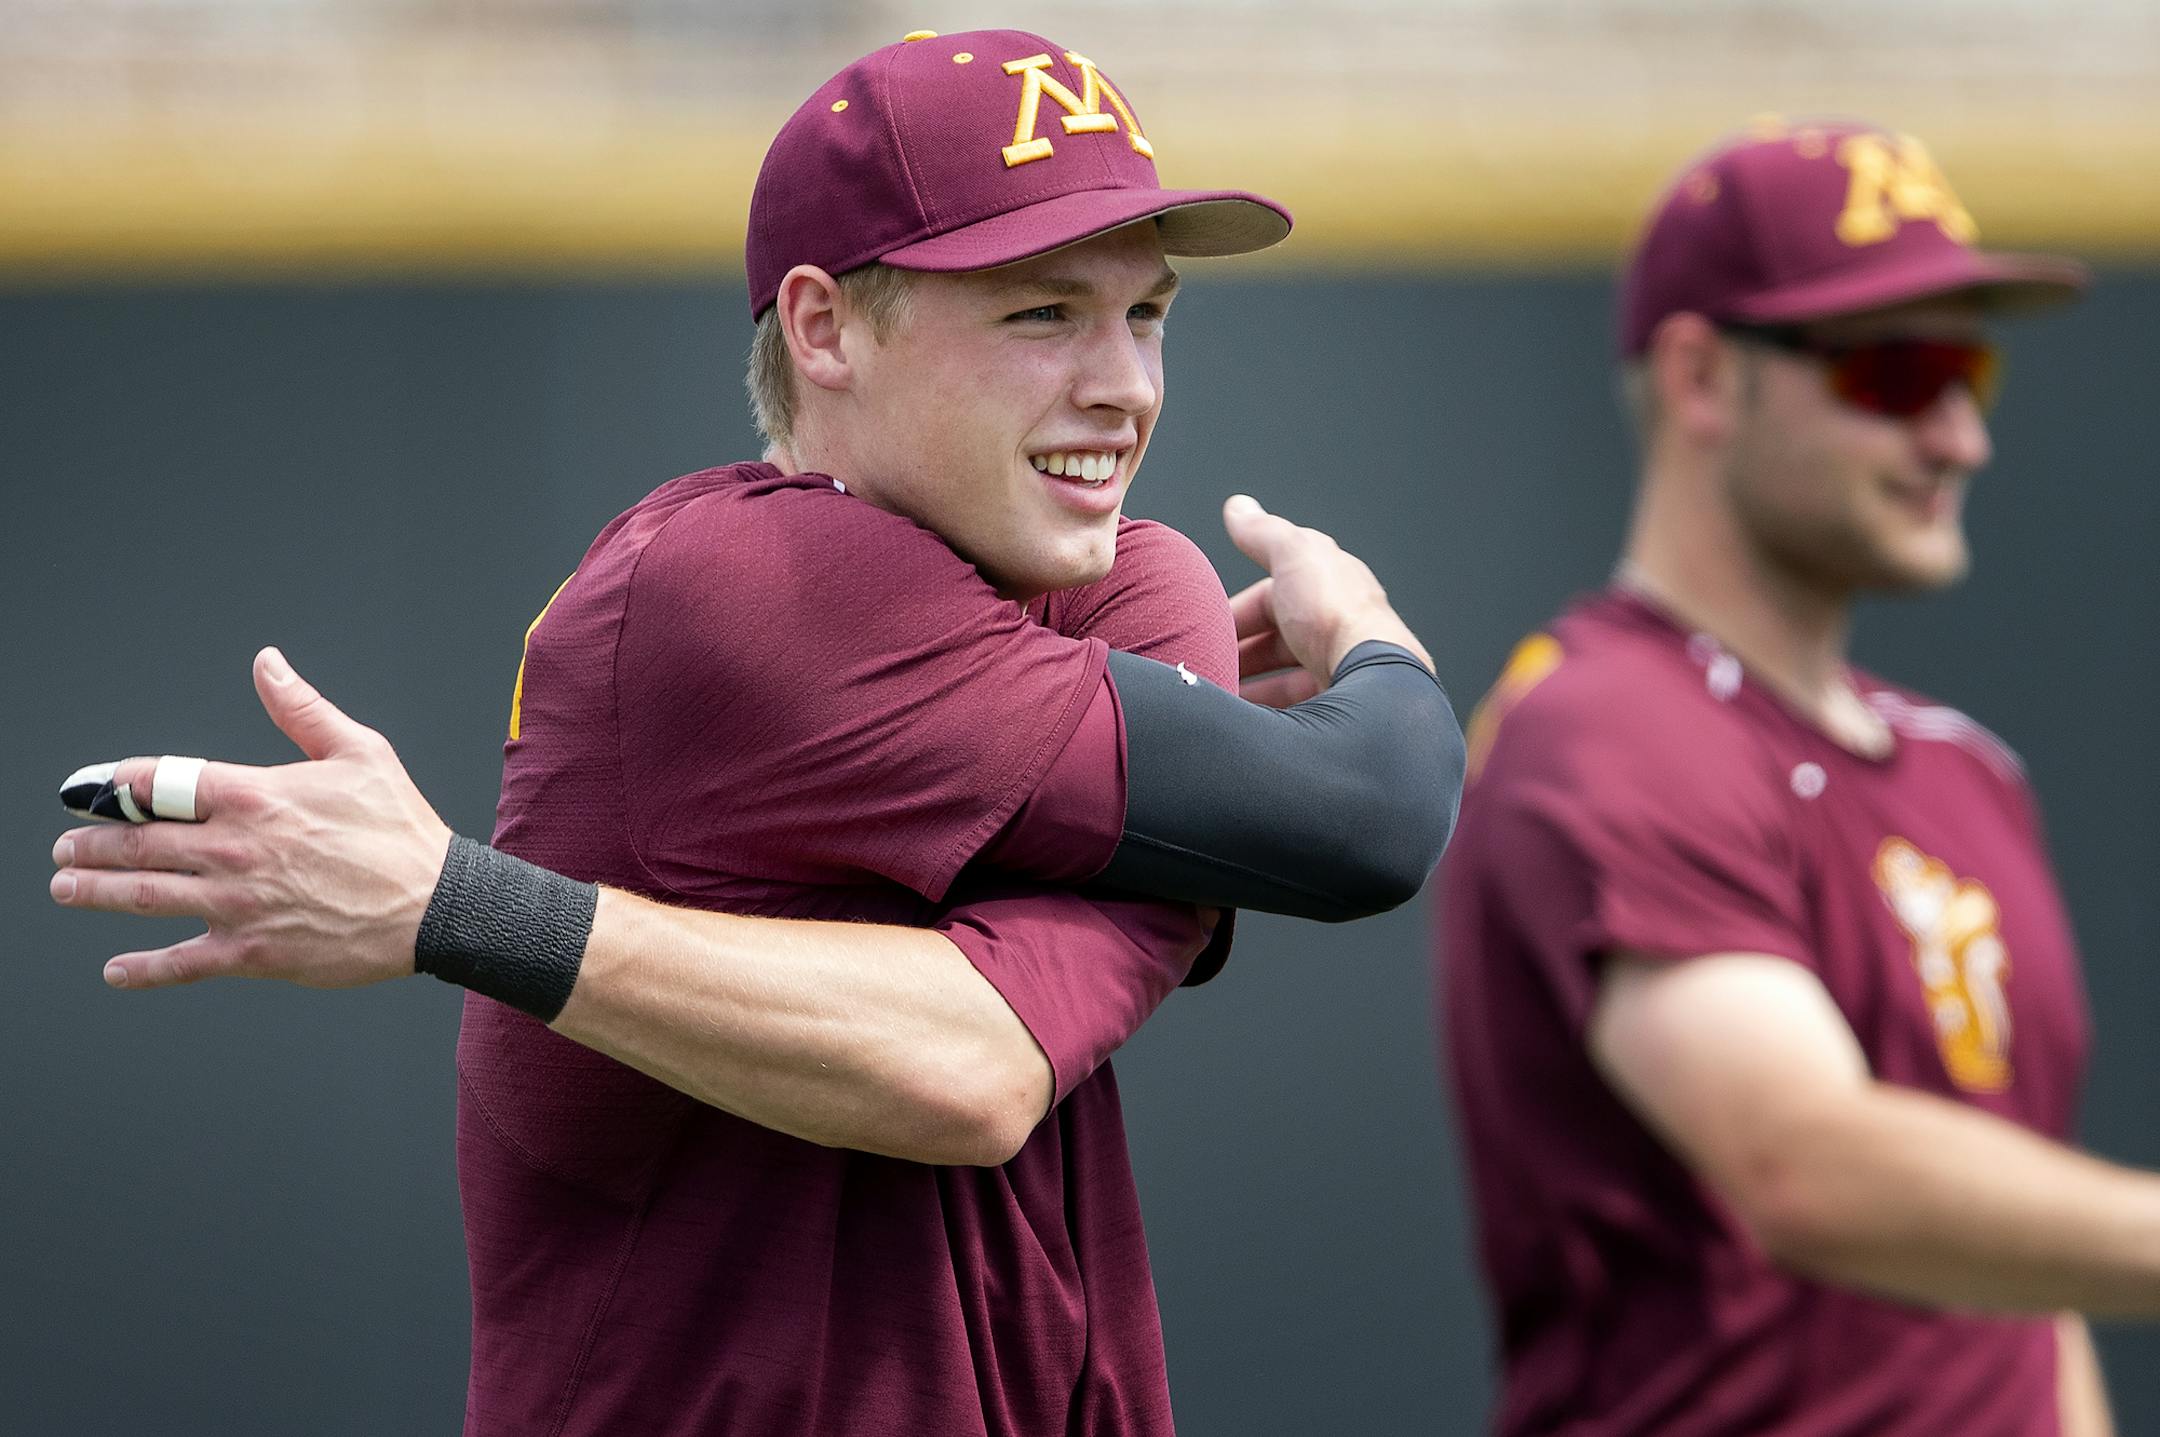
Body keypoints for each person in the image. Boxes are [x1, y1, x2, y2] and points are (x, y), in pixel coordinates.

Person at [50, 30, 1462, 1437]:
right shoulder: (738, 583)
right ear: (823, 325)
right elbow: (1362, 813)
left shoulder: (1127, 591)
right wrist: (1372, 634)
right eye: (1043, 315)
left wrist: (454, 905)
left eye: (1145, 314)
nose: (1125, 384)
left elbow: (991, 1049)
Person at [1436, 117, 2160, 1437]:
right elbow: (1806, 1165)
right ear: (1705, 376)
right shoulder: (1609, 723)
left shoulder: (1965, 767)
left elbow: (2015, 1263)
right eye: (1901, 370)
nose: (1959, 438)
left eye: (1973, 373)